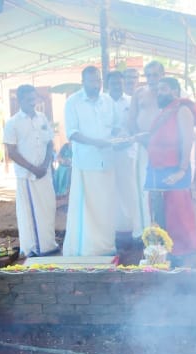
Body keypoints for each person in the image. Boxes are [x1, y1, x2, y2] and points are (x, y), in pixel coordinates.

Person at [62, 66, 119, 257]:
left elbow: (115, 127)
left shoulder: (108, 101)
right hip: (86, 163)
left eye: (98, 81)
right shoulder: (73, 102)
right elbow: (72, 133)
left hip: (108, 161)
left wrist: (122, 138)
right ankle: (87, 249)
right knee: (87, 208)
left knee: (106, 205)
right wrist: (96, 143)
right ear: (83, 82)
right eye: (92, 81)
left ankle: (106, 246)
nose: (96, 84)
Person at [146, 76, 196, 258]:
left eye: (164, 89)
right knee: (159, 211)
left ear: (175, 92)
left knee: (178, 212)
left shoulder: (182, 110)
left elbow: (188, 139)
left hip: (176, 169)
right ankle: (163, 250)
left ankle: (183, 253)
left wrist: (182, 170)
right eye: (158, 90)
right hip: (158, 169)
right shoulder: (165, 111)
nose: (159, 93)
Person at [3, 84, 58, 257]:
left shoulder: (42, 118)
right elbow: (11, 152)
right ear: (20, 101)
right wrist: (33, 168)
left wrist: (45, 165)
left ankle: (49, 244)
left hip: (45, 173)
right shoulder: (12, 123)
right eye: (28, 100)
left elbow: (50, 143)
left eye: (33, 99)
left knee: (48, 209)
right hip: (27, 176)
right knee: (30, 212)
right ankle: (34, 248)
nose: (32, 103)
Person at [106, 71, 145, 240]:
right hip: (107, 153)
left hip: (128, 151)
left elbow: (136, 124)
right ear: (108, 84)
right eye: (113, 83)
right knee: (110, 192)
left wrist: (128, 140)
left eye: (120, 82)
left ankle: (134, 228)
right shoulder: (102, 102)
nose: (117, 85)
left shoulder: (131, 101)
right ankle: (114, 229)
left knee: (130, 190)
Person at [129, 61, 166, 226]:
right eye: (148, 75)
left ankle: (164, 227)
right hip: (143, 147)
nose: (151, 78)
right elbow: (131, 120)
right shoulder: (139, 93)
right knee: (144, 187)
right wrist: (142, 139)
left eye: (155, 74)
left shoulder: (170, 92)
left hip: (165, 148)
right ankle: (144, 228)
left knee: (163, 188)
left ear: (162, 75)